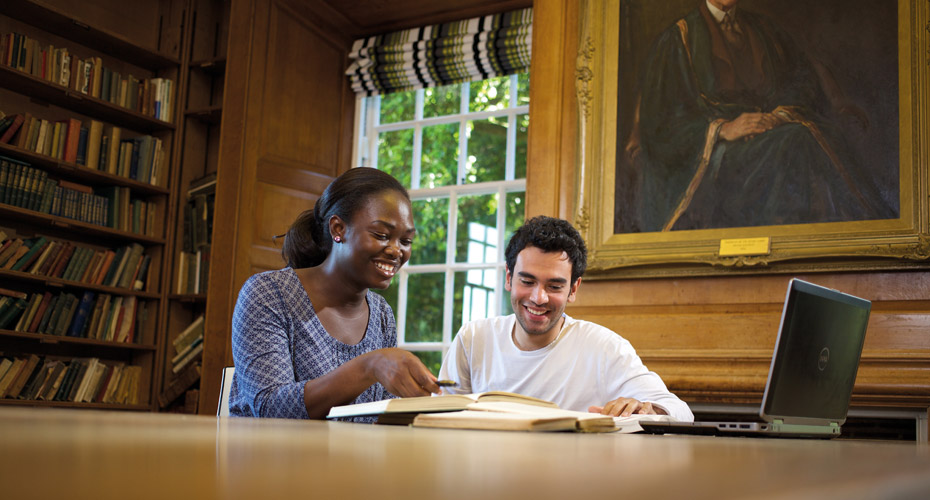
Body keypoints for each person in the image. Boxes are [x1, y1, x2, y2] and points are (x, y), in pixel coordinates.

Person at [627, 0, 895, 233]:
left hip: (772, 130)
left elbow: (801, 79)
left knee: (818, 135)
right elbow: (661, 123)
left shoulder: (764, 30)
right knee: (795, 140)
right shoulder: (678, 39)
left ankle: (861, 234)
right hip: (716, 155)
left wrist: (779, 115)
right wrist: (723, 129)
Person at [228, 167, 442, 421]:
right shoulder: (269, 294)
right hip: (267, 448)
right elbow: (269, 408)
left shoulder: (382, 315)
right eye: (382, 235)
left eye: (405, 241)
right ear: (338, 228)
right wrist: (370, 365)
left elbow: (378, 417)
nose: (396, 251)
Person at [439, 216, 694, 421]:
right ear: (509, 278)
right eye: (527, 281)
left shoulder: (604, 347)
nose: (538, 298)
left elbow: (681, 412)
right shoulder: (473, 339)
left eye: (554, 286)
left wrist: (648, 409)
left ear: (573, 289)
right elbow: (440, 415)